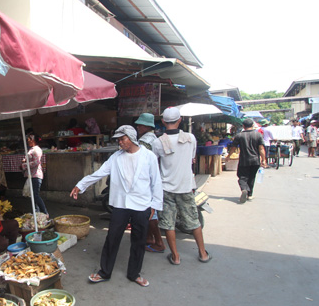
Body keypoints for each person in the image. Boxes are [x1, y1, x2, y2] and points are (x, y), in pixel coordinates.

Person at [70, 125, 162, 287]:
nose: (120, 142)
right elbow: (99, 173)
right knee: (112, 237)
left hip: (142, 204)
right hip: (121, 204)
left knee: (139, 240)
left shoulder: (149, 157)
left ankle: (134, 274)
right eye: (118, 139)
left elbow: (156, 182)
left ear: (132, 138)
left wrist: (154, 204)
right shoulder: (116, 157)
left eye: (122, 139)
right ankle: (104, 272)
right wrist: (81, 185)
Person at [151, 107, 212, 265]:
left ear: (163, 121)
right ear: (180, 120)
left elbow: (154, 164)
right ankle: (203, 253)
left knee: (168, 223)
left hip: (166, 188)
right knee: (193, 220)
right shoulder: (191, 138)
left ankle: (176, 256)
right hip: (186, 187)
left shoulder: (157, 142)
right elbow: (192, 159)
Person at [134, 113, 164, 253]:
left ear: (147, 126)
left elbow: (140, 160)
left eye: (140, 124)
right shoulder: (154, 138)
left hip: (147, 180)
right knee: (149, 211)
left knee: (151, 213)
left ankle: (158, 242)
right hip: (152, 178)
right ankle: (149, 238)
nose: (138, 127)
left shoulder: (145, 141)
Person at [226, 118, 267, 203]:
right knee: (252, 177)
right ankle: (249, 194)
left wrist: (228, 156)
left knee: (242, 176)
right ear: (252, 125)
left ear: (243, 126)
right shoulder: (258, 135)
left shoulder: (239, 136)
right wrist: (263, 159)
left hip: (244, 160)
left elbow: (233, 147)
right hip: (255, 160)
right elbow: (261, 148)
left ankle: (244, 189)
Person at [21, 133, 48, 216]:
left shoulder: (36, 150)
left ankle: (45, 212)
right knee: (34, 196)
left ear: (32, 140)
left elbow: (36, 162)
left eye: (28, 139)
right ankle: (37, 213)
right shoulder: (33, 149)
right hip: (33, 175)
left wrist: (24, 165)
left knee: (35, 195)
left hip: (35, 175)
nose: (27, 141)